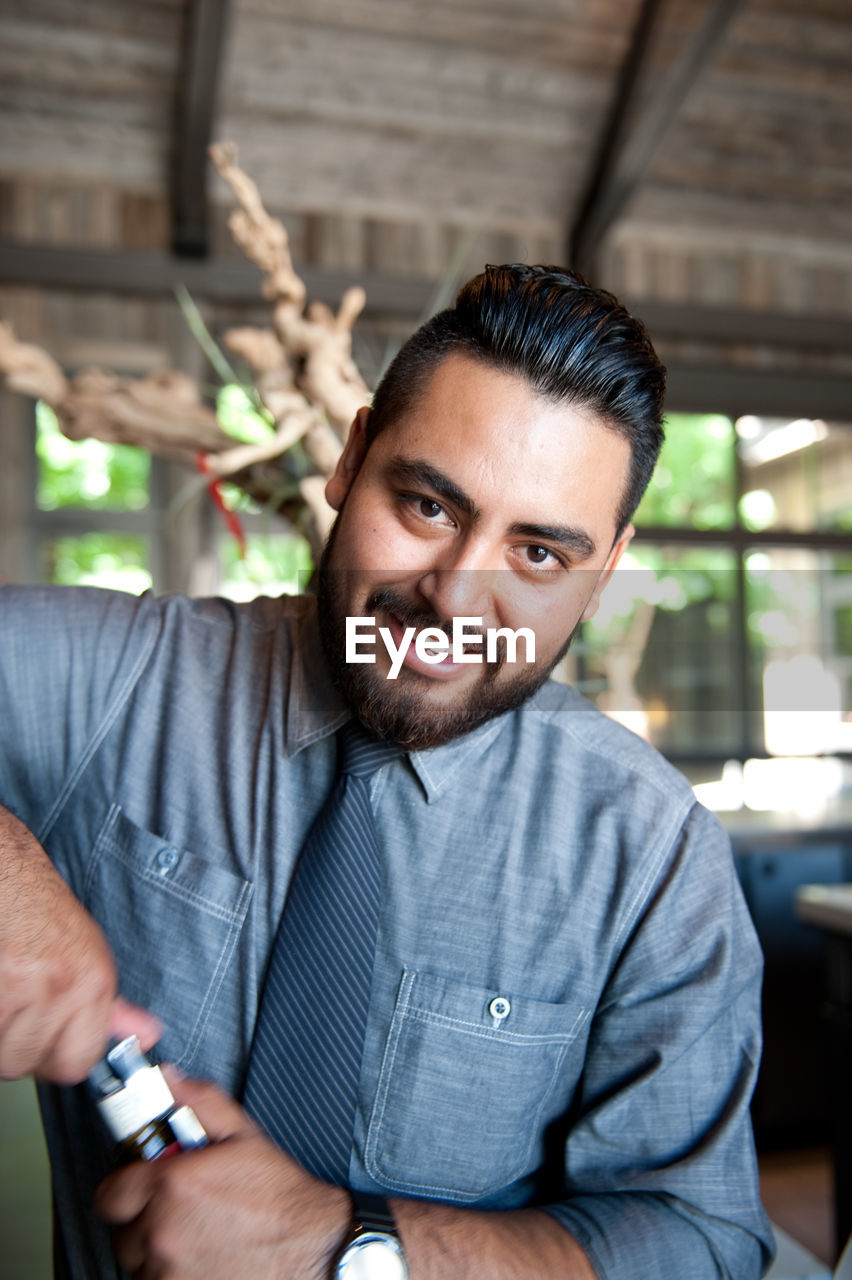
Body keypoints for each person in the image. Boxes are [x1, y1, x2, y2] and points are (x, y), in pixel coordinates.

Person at [0, 264, 774, 1279]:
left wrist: (346, 1245)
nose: (456, 595)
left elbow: (698, 1240)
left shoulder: (652, 856)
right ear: (351, 457)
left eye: (540, 554)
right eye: (427, 504)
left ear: (601, 573)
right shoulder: (121, 683)